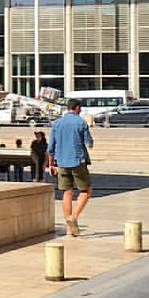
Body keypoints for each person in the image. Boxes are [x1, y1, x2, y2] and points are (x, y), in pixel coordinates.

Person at [47, 98, 94, 237]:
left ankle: (69, 226)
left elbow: (50, 148)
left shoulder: (57, 123)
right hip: (77, 160)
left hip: (61, 162)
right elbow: (89, 143)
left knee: (67, 192)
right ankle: (73, 217)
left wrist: (51, 164)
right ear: (77, 108)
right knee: (86, 191)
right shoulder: (81, 122)